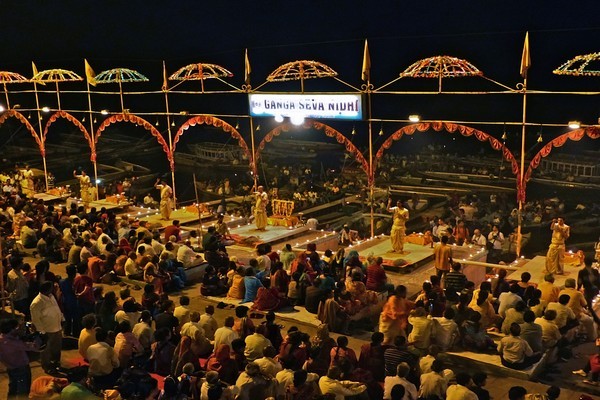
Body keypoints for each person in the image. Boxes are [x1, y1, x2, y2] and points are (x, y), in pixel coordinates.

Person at [30, 281, 64, 374]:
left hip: (57, 327)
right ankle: (47, 367)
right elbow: (36, 320)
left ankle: (56, 364)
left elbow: (56, 308)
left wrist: (61, 318)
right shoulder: (36, 303)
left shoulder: (51, 296)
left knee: (57, 348)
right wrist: (42, 333)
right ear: (47, 289)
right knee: (46, 350)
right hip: (47, 331)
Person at [0, 318, 40, 396]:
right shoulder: (14, 343)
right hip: (21, 369)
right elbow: (35, 347)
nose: (18, 329)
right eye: (16, 327)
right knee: (23, 392)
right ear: (11, 329)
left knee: (13, 389)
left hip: (10, 368)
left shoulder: (2, 338)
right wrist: (36, 334)